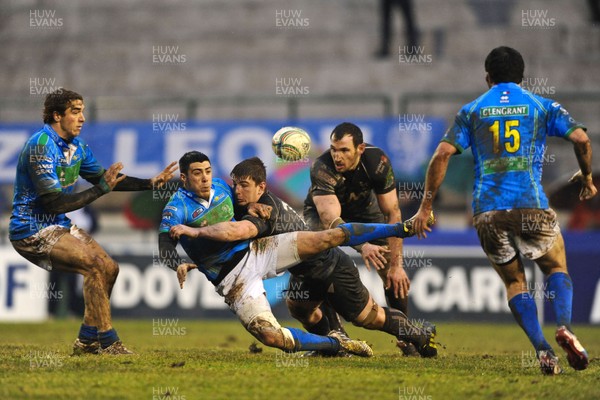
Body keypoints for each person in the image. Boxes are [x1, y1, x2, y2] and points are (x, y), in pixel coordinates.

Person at [411, 46, 596, 375]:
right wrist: (587, 176)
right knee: (556, 266)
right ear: (522, 76)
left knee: (514, 283)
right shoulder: (541, 105)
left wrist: (426, 207)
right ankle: (565, 327)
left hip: (487, 211)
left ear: (487, 77)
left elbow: (441, 155)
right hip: (530, 204)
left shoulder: (473, 110)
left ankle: (543, 350)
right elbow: (581, 139)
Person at [159, 151, 423, 357]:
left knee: (365, 310)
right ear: (184, 178)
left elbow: (234, 231)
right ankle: (335, 344)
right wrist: (176, 265)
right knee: (274, 334)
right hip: (234, 281)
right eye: (197, 173)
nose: (206, 178)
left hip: (260, 253)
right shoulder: (177, 207)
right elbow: (165, 246)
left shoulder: (222, 187)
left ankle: (401, 228)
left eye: (208, 171)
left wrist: (199, 231)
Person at [9, 89, 177, 355]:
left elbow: (103, 179)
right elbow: (55, 202)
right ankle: (109, 342)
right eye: (75, 112)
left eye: (83, 111)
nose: (82, 118)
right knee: (94, 266)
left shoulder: (77, 147)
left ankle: (87, 340)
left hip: (58, 225)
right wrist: (101, 190)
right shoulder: (41, 146)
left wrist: (149, 183)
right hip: (31, 229)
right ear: (56, 115)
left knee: (109, 268)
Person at [303, 122, 418, 354]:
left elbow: (392, 213)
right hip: (323, 216)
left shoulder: (378, 163)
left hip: (365, 211)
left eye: (344, 150)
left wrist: (397, 265)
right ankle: (337, 338)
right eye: (334, 149)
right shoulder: (322, 168)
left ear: (360, 149)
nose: (337, 156)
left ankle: (408, 339)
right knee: (318, 260)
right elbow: (331, 222)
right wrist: (362, 245)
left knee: (393, 273)